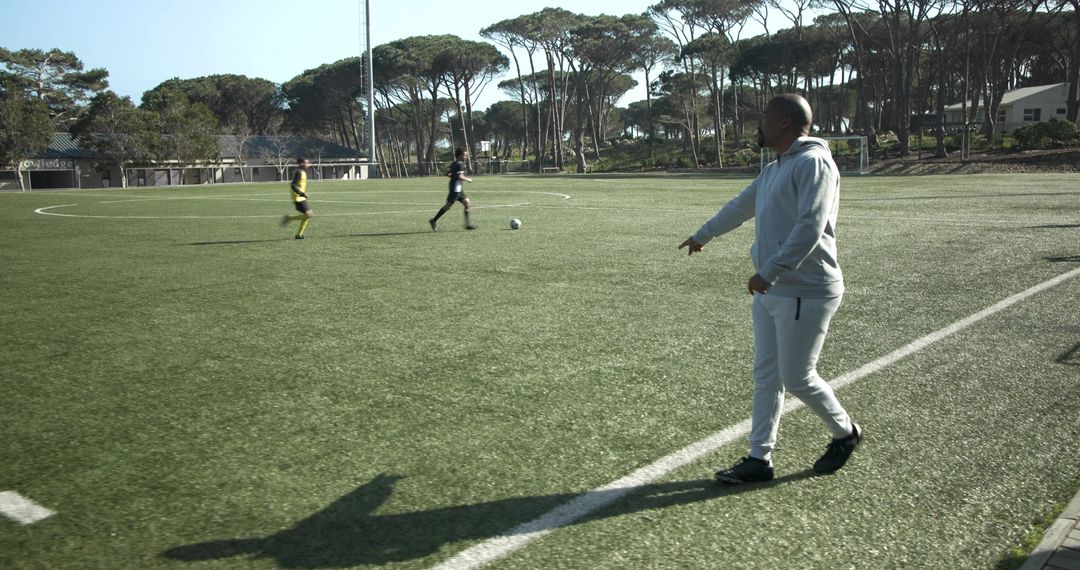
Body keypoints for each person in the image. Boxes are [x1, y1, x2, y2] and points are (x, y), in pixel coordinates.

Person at [678, 94, 862, 484]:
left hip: (806, 289)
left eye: (764, 117)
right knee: (766, 376)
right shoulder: (776, 167)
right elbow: (742, 205)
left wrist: (772, 270)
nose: (758, 123)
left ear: (783, 123)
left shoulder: (815, 163)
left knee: (798, 378)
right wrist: (702, 235)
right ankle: (759, 459)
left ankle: (845, 433)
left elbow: (810, 227)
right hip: (773, 291)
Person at [429, 147, 476, 231]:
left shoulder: (455, 163)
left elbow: (447, 173)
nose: (466, 157)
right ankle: (433, 220)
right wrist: (468, 179)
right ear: (459, 155)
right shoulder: (459, 164)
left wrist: (452, 175)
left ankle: (467, 224)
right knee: (448, 206)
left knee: (467, 204)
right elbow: (460, 176)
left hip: (458, 189)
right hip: (455, 189)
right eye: (464, 155)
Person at [281, 158, 313, 239]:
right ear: (301, 164)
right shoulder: (299, 172)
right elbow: (293, 185)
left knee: (307, 215)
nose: (308, 164)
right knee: (309, 214)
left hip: (301, 197)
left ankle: (299, 235)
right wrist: (302, 193)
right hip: (298, 197)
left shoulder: (303, 172)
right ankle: (289, 218)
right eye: (306, 163)